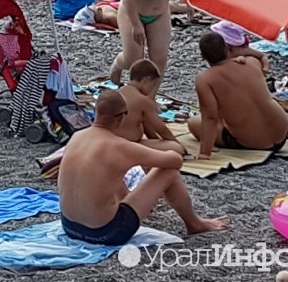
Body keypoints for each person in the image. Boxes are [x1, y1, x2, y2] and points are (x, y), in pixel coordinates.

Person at [58, 90, 228, 246]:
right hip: (106, 233)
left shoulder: (77, 137)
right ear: (122, 117)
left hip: (70, 227)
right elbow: (175, 161)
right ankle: (194, 224)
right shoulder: (119, 146)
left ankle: (123, 204)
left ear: (97, 112)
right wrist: (157, 153)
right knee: (168, 171)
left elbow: (110, 174)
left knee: (111, 170)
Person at [188, 33, 288, 158]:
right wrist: (238, 54)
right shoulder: (251, 62)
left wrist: (204, 153)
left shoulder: (205, 79)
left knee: (193, 123)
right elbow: (261, 55)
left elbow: (210, 118)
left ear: (203, 56)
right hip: (282, 134)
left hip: (251, 142)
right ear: (227, 48)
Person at [116, 60, 185, 153]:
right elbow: (162, 129)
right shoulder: (143, 100)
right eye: (152, 85)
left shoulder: (118, 92)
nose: (152, 89)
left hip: (112, 142)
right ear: (146, 80)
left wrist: (156, 140)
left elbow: (147, 128)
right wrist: (178, 145)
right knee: (175, 148)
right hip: (129, 145)